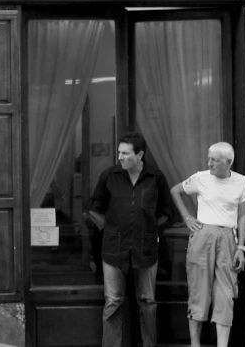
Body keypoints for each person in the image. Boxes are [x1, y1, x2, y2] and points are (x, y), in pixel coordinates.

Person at [84, 132, 174, 347]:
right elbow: (94, 210)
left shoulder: (156, 177)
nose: (120, 157)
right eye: (119, 153)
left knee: (147, 302)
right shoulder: (109, 176)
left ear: (140, 154)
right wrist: (111, 228)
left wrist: (151, 228)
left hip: (146, 248)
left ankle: (149, 344)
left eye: (125, 153)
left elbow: (166, 212)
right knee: (113, 302)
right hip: (114, 249)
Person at [170, 142, 245, 347]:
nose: (209, 163)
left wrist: (241, 248)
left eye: (214, 159)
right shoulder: (200, 178)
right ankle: (195, 345)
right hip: (203, 236)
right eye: (209, 158)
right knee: (199, 291)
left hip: (228, 238)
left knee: (226, 293)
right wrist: (187, 218)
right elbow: (175, 191)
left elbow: (242, 215)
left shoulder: (240, 181)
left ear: (228, 162)